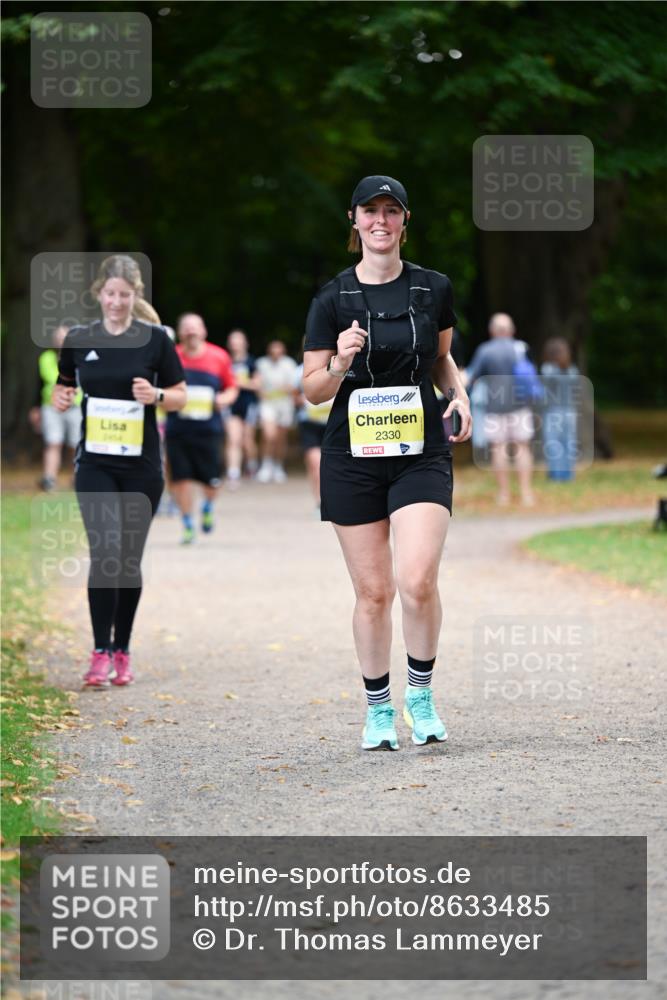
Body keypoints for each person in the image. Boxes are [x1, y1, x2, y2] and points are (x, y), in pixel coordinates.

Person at [303, 175, 471, 751]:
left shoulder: (433, 288)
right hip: (351, 454)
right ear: (353, 220)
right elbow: (312, 390)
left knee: (417, 580)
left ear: (405, 221)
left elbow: (443, 359)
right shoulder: (332, 298)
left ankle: (419, 696)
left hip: (419, 449)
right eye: (369, 211)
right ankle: (378, 709)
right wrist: (341, 361)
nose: (380, 220)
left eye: (391, 211)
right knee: (373, 592)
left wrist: (461, 394)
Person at [52, 254, 186, 688]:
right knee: (104, 552)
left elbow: (182, 396)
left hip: (142, 468)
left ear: (135, 296)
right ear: (99, 294)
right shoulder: (78, 337)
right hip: (94, 463)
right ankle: (99, 652)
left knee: (127, 560)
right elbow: (64, 384)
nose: (116, 302)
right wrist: (61, 398)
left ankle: (122, 648)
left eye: (124, 295)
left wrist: (158, 394)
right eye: (110, 294)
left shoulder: (155, 341)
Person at [165, 314, 238, 543]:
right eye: (186, 328)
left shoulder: (219, 357)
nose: (190, 332)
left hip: (209, 429)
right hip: (178, 429)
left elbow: (232, 388)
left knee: (211, 480)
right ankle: (187, 523)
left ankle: (207, 506)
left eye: (195, 328)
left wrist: (224, 399)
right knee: (181, 479)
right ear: (180, 333)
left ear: (203, 331)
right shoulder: (171, 357)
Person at [464, 313, 537, 507]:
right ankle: (526, 493)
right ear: (512, 330)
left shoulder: (485, 350)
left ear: (492, 331)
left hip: (495, 407)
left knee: (498, 448)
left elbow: (471, 376)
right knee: (522, 448)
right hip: (520, 405)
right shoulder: (521, 348)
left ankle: (503, 495)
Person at [29, 324, 82, 491]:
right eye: (58, 338)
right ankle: (49, 478)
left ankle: (77, 479)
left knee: (76, 444)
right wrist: (35, 407)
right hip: (51, 407)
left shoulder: (80, 358)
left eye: (65, 337)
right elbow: (37, 384)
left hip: (75, 407)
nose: (61, 341)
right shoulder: (45, 358)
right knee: (53, 442)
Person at [294, 350, 335, 510]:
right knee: (315, 463)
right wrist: (309, 398)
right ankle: (320, 503)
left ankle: (335, 500)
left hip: (333, 424)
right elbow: (294, 397)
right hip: (310, 424)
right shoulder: (299, 371)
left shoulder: (343, 364)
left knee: (332, 466)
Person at [256, 340, 298, 483]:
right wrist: (261, 391)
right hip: (268, 404)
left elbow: (293, 386)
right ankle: (266, 465)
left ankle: (278, 466)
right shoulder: (262, 363)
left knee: (281, 438)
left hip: (284, 406)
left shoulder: (289, 364)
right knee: (269, 435)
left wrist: (282, 389)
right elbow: (258, 382)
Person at [225, 328, 260, 488]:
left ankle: (252, 466)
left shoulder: (251, 362)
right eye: (233, 340)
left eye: (238, 340)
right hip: (231, 405)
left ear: (245, 343)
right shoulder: (225, 361)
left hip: (248, 404)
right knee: (234, 439)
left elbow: (258, 385)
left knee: (247, 440)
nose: (235, 344)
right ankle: (233, 474)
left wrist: (239, 383)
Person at [540, 337, 580, 481]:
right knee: (569, 443)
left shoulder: (547, 369)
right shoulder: (573, 370)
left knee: (553, 443)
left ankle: (556, 475)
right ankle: (569, 474)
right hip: (570, 412)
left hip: (553, 411)